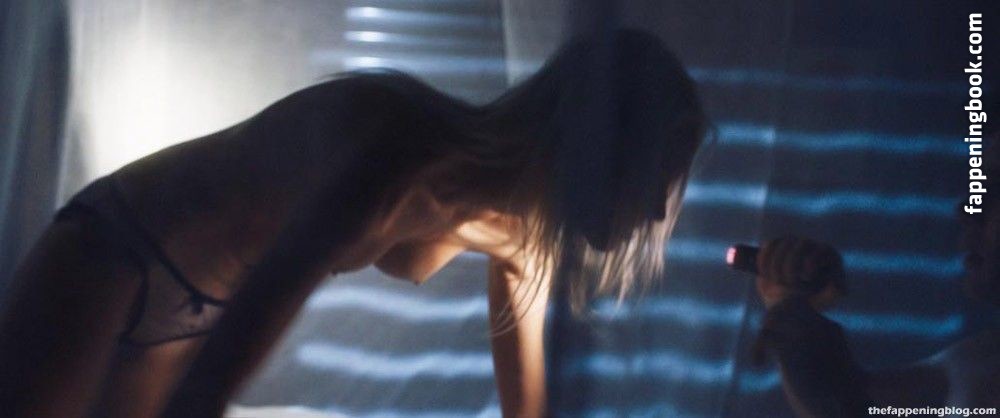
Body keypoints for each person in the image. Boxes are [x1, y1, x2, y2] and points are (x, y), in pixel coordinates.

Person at [0, 29, 708, 418]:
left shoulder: (523, 242)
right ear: (604, 142)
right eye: (656, 178)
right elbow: (266, 301)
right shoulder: (401, 151)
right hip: (115, 251)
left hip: (192, 313)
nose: (655, 212)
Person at [753, 136, 1000, 417]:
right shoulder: (981, 359)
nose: (967, 210)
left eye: (995, 189)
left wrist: (793, 321)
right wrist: (792, 314)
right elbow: (855, 401)